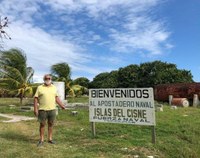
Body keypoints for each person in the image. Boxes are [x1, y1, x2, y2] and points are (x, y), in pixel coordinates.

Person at [34, 74, 66, 147]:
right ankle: (41, 140)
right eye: (46, 78)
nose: (47, 79)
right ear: (44, 79)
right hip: (42, 109)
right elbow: (35, 98)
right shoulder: (40, 87)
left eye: (49, 78)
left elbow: (56, 98)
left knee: (51, 124)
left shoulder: (54, 87)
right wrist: (35, 109)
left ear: (51, 79)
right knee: (42, 124)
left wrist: (61, 105)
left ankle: (50, 139)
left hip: (52, 109)